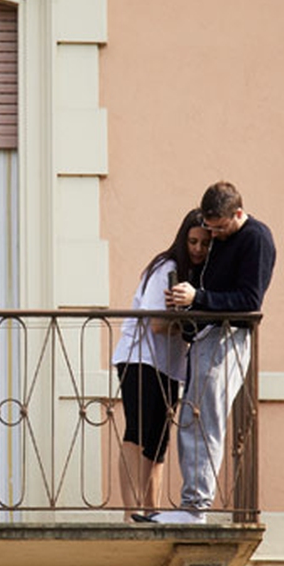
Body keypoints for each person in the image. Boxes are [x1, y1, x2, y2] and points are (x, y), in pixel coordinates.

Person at [155, 181, 275, 524]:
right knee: (193, 418)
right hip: (208, 337)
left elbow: (250, 301)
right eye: (209, 228)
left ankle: (195, 508)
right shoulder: (223, 236)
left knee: (204, 420)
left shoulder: (256, 238)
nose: (215, 235)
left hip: (227, 337)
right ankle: (192, 505)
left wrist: (198, 299)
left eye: (220, 228)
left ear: (238, 214)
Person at [112, 210, 211, 520]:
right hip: (139, 358)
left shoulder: (197, 278)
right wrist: (189, 321)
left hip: (168, 366)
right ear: (183, 240)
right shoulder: (165, 268)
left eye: (205, 243)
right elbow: (156, 323)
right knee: (138, 432)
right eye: (193, 241)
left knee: (158, 440)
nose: (197, 248)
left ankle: (151, 512)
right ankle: (132, 512)